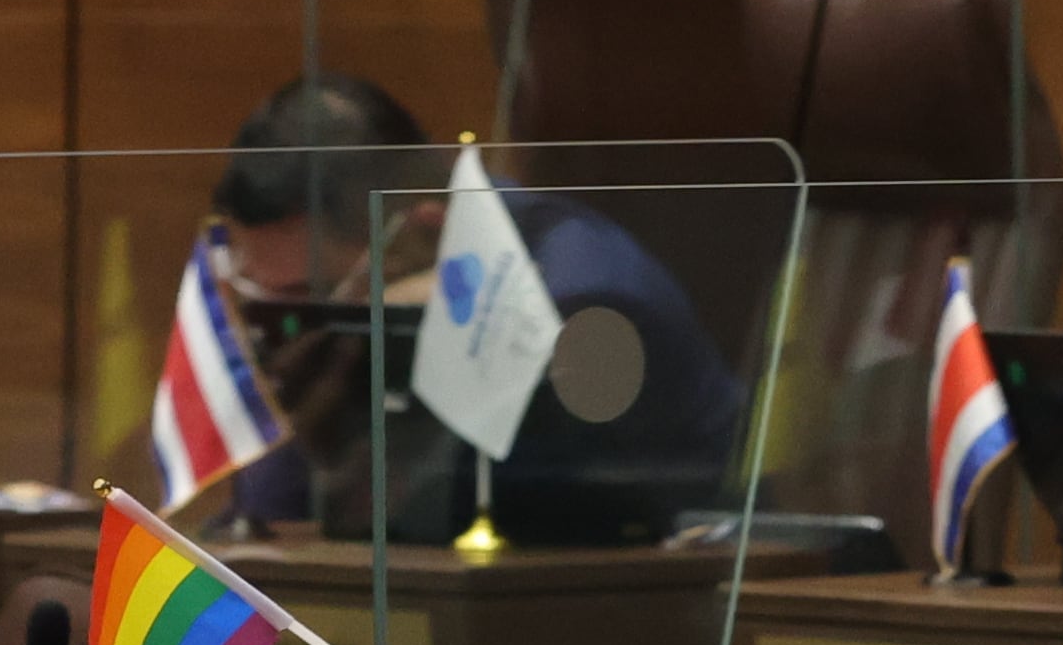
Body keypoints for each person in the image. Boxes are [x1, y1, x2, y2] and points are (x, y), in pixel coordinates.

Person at [204, 74, 743, 545]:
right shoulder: (371, 308)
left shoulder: (575, 303)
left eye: (306, 298)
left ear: (420, 228)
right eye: (258, 294)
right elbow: (269, 523)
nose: (284, 330)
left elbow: (448, 513)